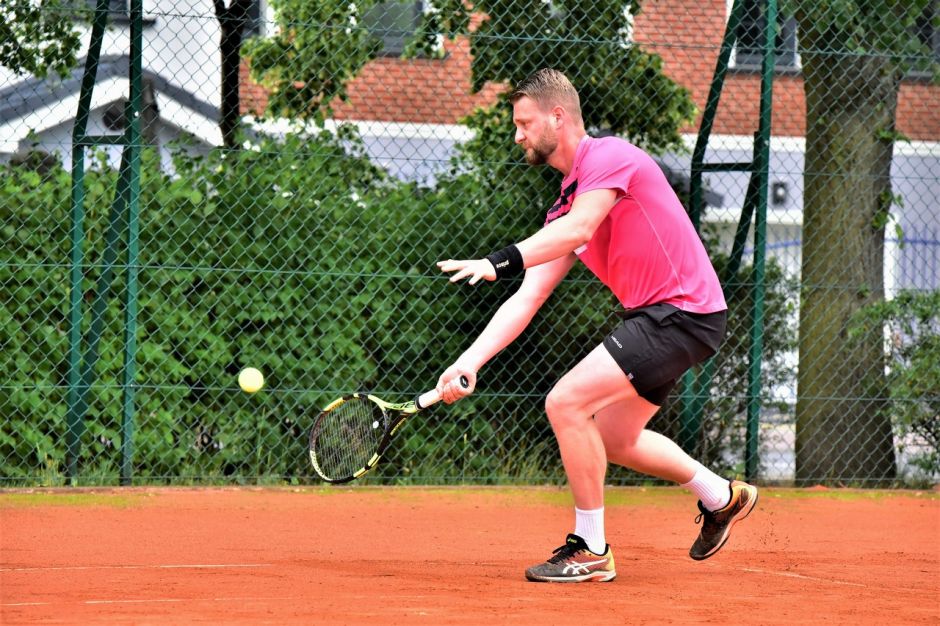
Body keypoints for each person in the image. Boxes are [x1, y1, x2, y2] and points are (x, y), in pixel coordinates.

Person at [434, 68, 758, 583]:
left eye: (524, 123)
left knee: (565, 402)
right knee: (616, 437)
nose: (517, 135)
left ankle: (591, 549)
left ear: (557, 117)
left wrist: (498, 261)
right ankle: (721, 496)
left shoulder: (608, 158)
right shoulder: (564, 206)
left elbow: (581, 227)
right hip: (664, 316)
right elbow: (530, 295)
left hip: (681, 311)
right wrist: (468, 362)